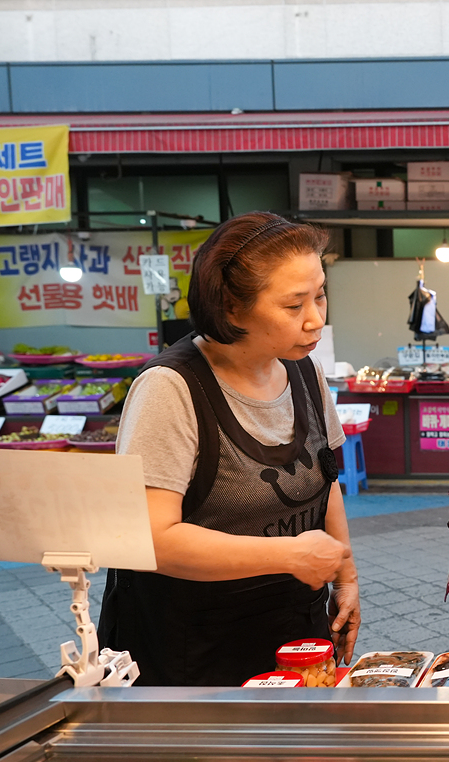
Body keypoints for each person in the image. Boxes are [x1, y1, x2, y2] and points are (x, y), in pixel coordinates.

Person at [99, 211, 361, 686]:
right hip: (192, 646)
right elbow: (152, 540)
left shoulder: (305, 372)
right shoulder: (170, 388)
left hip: (294, 634)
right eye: (293, 305)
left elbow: (326, 482)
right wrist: (289, 555)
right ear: (232, 309)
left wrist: (346, 576)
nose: (316, 319)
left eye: (320, 295)